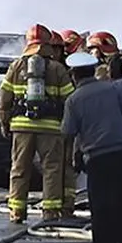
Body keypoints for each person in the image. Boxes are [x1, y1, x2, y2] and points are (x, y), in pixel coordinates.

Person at [62, 51, 122, 243]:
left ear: (74, 75)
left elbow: (69, 133)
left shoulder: (73, 100)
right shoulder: (113, 88)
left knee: (101, 207)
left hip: (98, 159)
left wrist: (72, 159)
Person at [0, 24, 75, 223]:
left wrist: (4, 122)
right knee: (52, 169)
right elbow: (69, 99)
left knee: (19, 168)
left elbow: (4, 98)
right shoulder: (57, 68)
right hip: (50, 128)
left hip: (21, 127)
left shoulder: (16, 67)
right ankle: (50, 212)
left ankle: (17, 212)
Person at [48, 31, 77, 215]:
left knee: (67, 164)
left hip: (67, 123)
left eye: (56, 49)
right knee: (53, 166)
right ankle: (53, 204)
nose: (53, 53)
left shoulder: (70, 69)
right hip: (51, 125)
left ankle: (67, 205)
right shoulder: (44, 69)